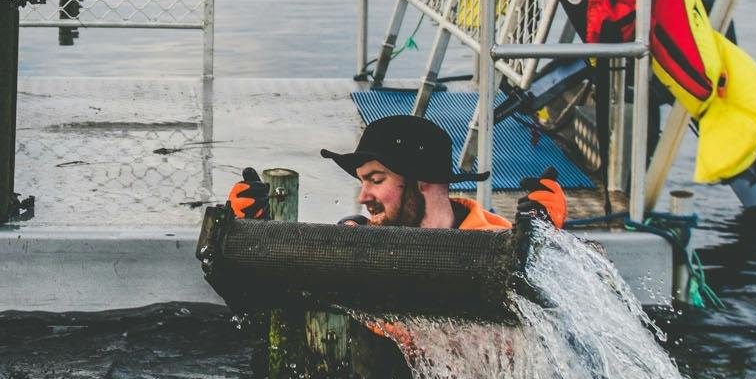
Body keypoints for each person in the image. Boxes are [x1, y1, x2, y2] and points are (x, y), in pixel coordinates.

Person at [223, 113, 565, 230]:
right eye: (362, 182)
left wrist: (547, 242)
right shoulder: (356, 240)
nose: (362, 197)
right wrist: (248, 229)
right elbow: (265, 302)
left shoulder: (499, 243)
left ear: (423, 181)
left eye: (376, 179)